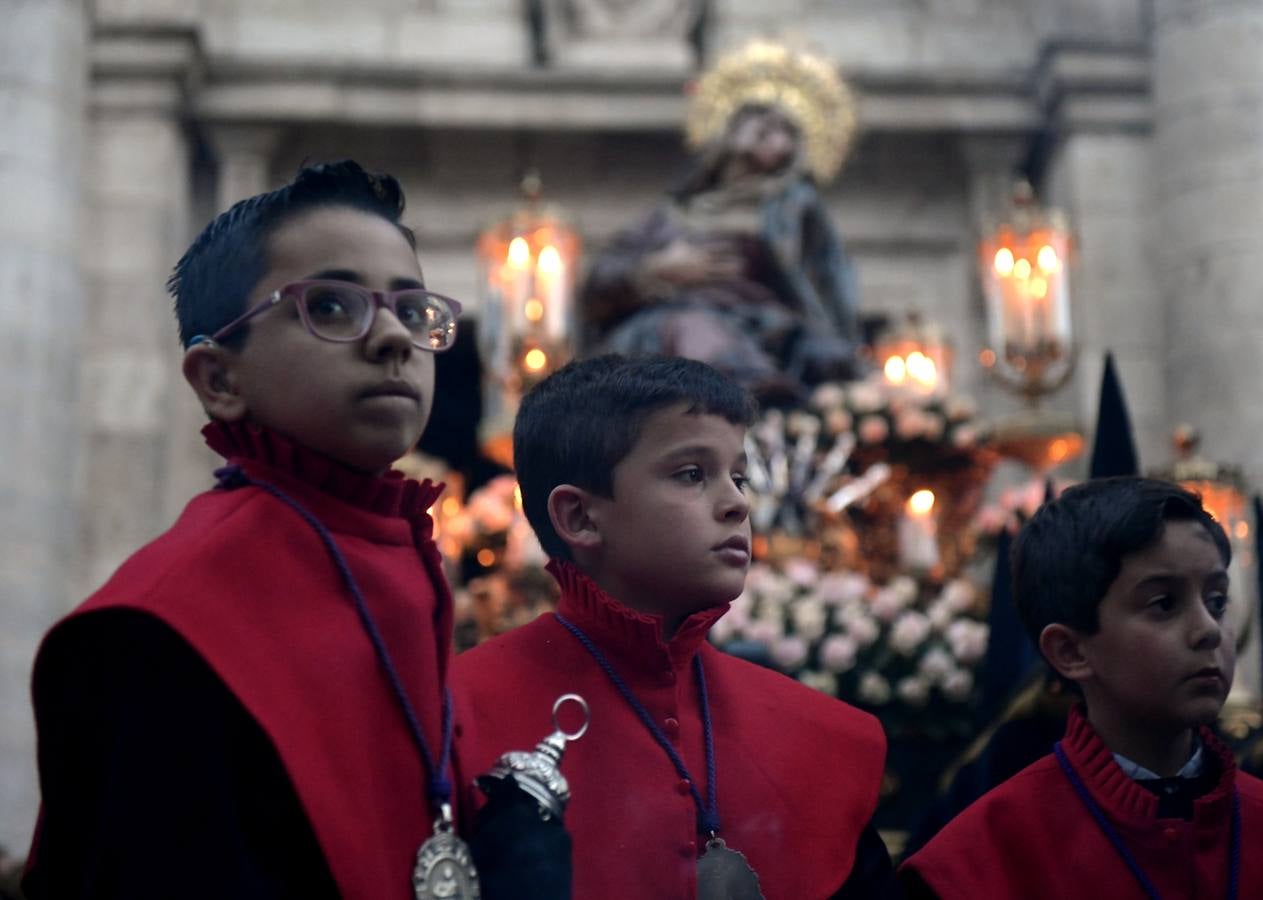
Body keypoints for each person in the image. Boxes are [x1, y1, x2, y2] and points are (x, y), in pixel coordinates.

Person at [24, 161, 567, 899]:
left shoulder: (406, 567)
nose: (393, 339)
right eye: (334, 308)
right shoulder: (158, 627)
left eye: (413, 312)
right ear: (219, 379)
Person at [454, 354, 892, 899]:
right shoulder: (459, 716)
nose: (736, 503)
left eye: (739, 477)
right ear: (580, 517)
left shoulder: (822, 735)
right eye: (691, 474)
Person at [896, 477, 1263, 898]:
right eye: (1164, 604)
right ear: (1070, 651)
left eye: (1216, 601)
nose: (1209, 630)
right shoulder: (975, 865)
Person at [580, 102, 862, 403]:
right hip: (677, 322)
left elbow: (829, 276)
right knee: (695, 331)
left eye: (784, 129)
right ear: (727, 133)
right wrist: (655, 268)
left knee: (827, 359)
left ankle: (765, 401)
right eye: (755, 118)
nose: (768, 127)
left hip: (765, 326)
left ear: (791, 151)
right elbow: (599, 281)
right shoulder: (673, 214)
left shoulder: (792, 207)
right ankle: (751, 396)